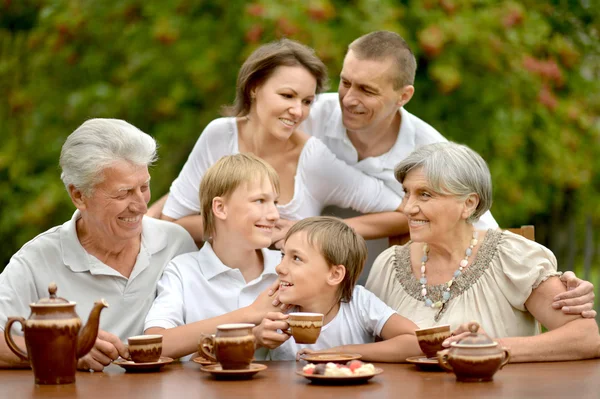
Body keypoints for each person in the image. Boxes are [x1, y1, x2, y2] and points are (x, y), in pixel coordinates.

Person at [301, 30, 596, 311]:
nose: (349, 99)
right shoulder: (308, 118)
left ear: (404, 96)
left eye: (366, 90)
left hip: (386, 298)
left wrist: (555, 280)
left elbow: (482, 228)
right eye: (345, 82)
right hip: (308, 290)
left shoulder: (429, 149)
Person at [150, 38, 408, 247]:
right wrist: (248, 230)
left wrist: (313, 230)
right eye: (287, 96)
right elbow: (174, 221)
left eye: (307, 101)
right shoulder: (219, 136)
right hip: (213, 289)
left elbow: (403, 213)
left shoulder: (312, 157)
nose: (298, 111)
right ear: (254, 87)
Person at [366, 142, 600, 362]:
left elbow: (585, 337)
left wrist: (494, 348)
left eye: (425, 194)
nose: (408, 207)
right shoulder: (388, 266)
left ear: (468, 204)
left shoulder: (511, 256)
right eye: (407, 192)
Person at [0, 119, 198, 371]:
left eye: (144, 187)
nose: (140, 205)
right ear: (78, 195)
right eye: (123, 193)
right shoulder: (36, 259)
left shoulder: (176, 242)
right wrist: (63, 350)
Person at [144, 153, 286, 360]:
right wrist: (250, 314)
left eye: (275, 202)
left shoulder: (285, 269)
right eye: (260, 201)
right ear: (220, 208)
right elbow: (154, 344)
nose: (274, 214)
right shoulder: (183, 271)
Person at [253, 216, 422, 362]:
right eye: (283, 255)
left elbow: (417, 342)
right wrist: (256, 338)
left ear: (335, 274)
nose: (279, 268)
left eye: (296, 258)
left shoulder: (358, 302)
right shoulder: (274, 304)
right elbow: (229, 346)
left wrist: (341, 352)